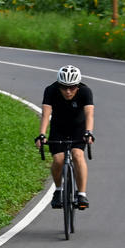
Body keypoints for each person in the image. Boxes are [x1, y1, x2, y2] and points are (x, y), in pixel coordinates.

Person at [36, 64, 95, 209]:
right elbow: (46, 114)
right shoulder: (50, 90)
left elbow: (89, 114)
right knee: (58, 159)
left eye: (72, 87)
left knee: (77, 155)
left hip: (78, 129)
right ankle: (58, 190)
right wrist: (42, 134)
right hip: (59, 128)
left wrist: (88, 132)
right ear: (59, 85)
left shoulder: (85, 91)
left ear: (78, 86)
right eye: (64, 87)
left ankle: (81, 194)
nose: (68, 91)